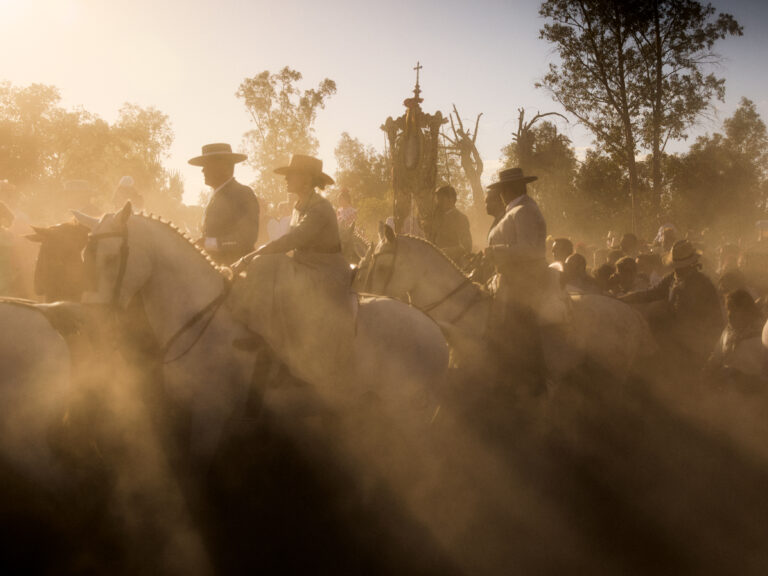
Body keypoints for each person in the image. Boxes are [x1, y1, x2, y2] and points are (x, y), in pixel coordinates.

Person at [485, 167, 547, 394]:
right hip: (509, 278)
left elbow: (531, 249)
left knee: (514, 328)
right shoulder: (517, 210)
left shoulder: (524, 211)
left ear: (510, 189)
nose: (500, 194)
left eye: (502, 189)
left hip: (522, 283)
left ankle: (520, 377)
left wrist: (496, 251)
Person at [621, 239, 723, 364]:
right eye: (676, 266)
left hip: (695, 343)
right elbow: (652, 293)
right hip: (675, 339)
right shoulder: (672, 278)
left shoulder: (703, 284)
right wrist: (625, 298)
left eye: (681, 267)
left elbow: (713, 318)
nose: (677, 270)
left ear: (691, 264)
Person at [189, 142, 260, 265]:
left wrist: (209, 243)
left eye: (207, 165)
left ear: (224, 167)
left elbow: (247, 237)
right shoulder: (214, 196)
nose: (203, 170)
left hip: (237, 270)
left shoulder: (243, 193)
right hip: (214, 268)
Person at [706, 289, 767, 388]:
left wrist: (742, 377)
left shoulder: (762, 335)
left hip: (751, 396)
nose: (729, 314)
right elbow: (717, 357)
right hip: (724, 393)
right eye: (728, 309)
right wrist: (708, 372)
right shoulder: (729, 332)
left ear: (747, 310)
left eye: (734, 309)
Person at [430, 185, 472, 264]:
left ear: (451, 199)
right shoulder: (436, 217)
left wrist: (445, 252)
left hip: (452, 265)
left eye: (441, 199)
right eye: (438, 199)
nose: (438, 202)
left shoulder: (460, 218)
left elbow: (467, 246)